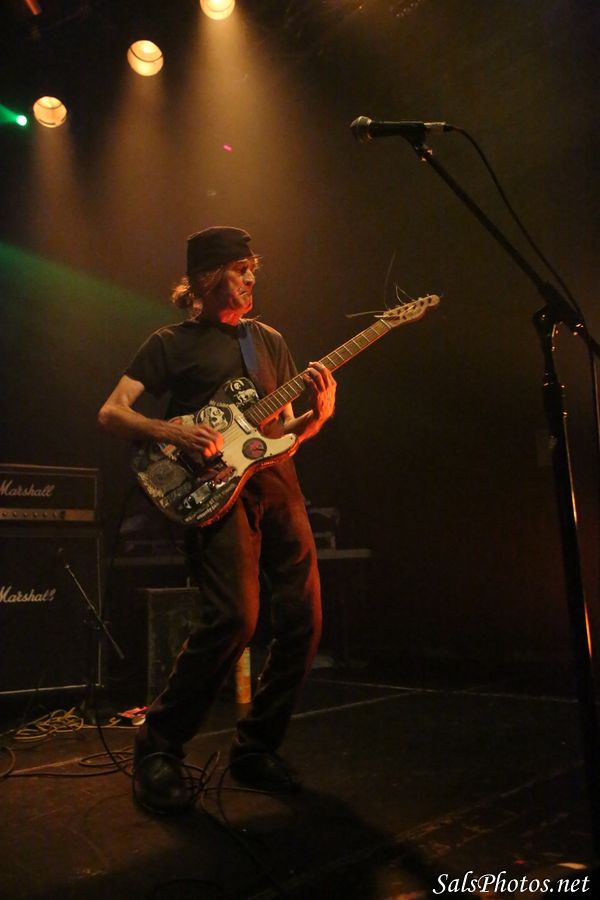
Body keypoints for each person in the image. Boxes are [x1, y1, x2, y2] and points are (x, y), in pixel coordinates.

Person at [97, 226, 336, 813]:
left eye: (253, 267)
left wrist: (311, 423)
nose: (252, 277)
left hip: (280, 489)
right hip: (212, 491)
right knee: (235, 618)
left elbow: (277, 432)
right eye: (239, 268)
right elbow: (112, 413)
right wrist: (172, 430)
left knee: (304, 619)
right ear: (207, 279)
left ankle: (255, 749)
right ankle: (158, 747)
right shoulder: (169, 343)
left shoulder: (268, 341)